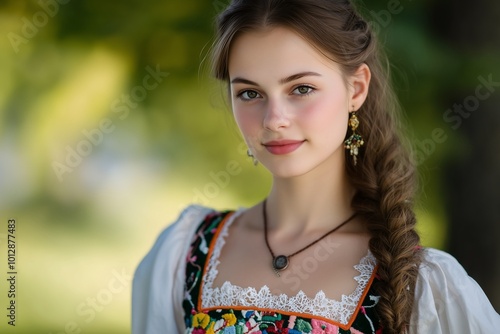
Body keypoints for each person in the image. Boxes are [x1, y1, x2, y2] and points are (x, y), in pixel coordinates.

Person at [132, 0, 500, 333]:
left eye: (301, 89)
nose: (274, 119)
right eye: (250, 93)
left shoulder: (421, 285)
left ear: (355, 89)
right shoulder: (185, 254)